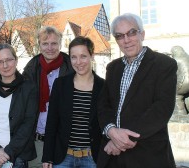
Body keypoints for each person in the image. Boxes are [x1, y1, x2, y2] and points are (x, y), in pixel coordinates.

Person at [97, 13, 177, 168]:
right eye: (119, 36)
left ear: (142, 34)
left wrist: (121, 140)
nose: (126, 40)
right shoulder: (112, 68)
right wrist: (111, 131)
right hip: (112, 158)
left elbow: (161, 109)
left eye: (131, 33)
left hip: (147, 156)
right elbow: (103, 105)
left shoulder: (164, 64)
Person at [42, 36, 104, 168]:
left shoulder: (103, 87)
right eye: (73, 57)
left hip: (92, 159)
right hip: (63, 159)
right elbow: (52, 122)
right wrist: (47, 156)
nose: (78, 62)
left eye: (83, 56)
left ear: (92, 56)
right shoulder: (60, 84)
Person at [0, 43, 38, 168]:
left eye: (9, 60)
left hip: (17, 157)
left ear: (16, 60)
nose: (5, 65)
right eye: (0, 62)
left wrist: (6, 154)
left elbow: (28, 125)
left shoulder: (29, 88)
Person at [23, 26, 74, 168]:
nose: (50, 48)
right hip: (37, 141)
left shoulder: (72, 67)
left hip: (64, 142)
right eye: (45, 44)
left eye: (54, 43)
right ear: (39, 45)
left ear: (60, 44)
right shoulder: (31, 69)